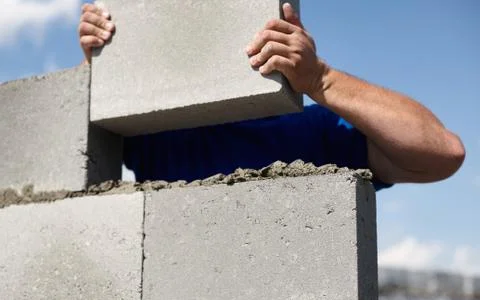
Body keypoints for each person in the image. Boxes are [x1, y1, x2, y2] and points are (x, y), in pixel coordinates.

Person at [78, 2, 465, 190]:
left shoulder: (312, 131)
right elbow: (73, 160)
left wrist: (320, 79)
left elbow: (442, 154)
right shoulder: (158, 130)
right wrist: (106, 66)